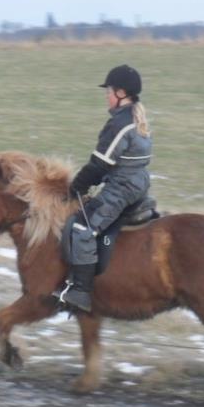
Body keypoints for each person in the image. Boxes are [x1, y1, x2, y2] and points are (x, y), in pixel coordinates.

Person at [54, 64, 152, 312]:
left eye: (108, 91)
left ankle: (81, 291)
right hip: (137, 182)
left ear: (121, 94)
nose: (106, 96)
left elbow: (100, 164)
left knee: (81, 227)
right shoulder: (135, 118)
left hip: (122, 187)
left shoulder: (121, 123)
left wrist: (76, 187)